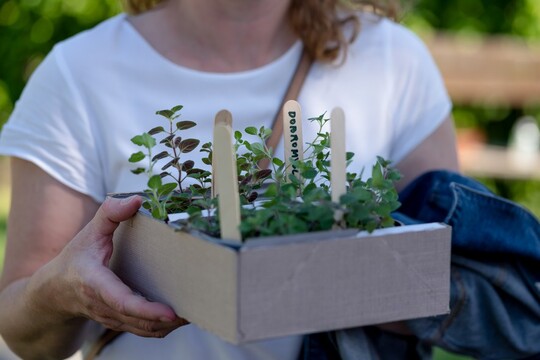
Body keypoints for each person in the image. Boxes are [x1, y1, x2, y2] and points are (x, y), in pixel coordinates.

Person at [0, 0, 461, 359]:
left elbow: (450, 273)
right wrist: (64, 290)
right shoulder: (78, 75)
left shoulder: (392, 60)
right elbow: (24, 333)